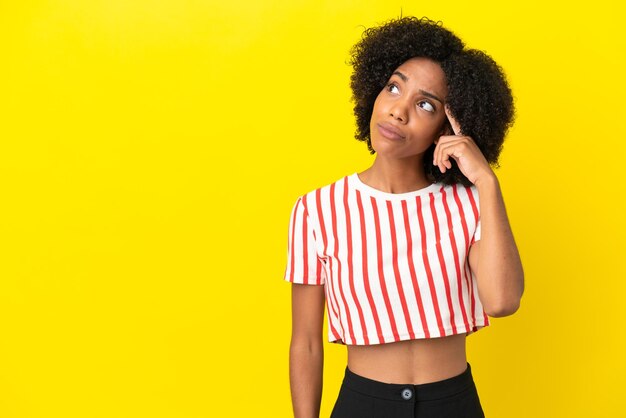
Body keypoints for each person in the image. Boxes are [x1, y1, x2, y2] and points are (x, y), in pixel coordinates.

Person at [284, 16, 524, 418]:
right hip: (364, 404)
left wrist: (485, 180)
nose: (398, 111)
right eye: (394, 87)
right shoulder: (317, 210)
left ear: (447, 128)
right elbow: (305, 342)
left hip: (454, 404)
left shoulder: (467, 203)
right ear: (373, 91)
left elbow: (502, 301)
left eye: (425, 104)